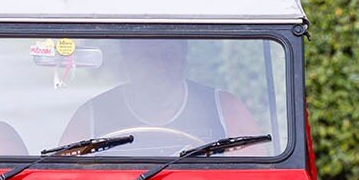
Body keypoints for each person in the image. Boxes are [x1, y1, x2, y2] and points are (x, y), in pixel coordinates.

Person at [57, 38, 267, 153]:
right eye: (145, 58)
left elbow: (258, 178)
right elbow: (64, 178)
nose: (158, 68)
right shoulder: (92, 115)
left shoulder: (225, 108)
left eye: (168, 56)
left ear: (183, 59)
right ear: (128, 62)